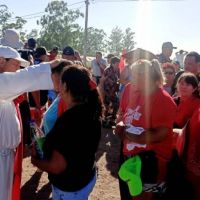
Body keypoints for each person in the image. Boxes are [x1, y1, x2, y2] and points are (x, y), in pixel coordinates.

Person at [31, 65, 102, 200]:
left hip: (71, 187)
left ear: (65, 86)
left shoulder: (68, 121)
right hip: (86, 176)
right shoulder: (91, 111)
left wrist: (36, 161)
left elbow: (57, 166)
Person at [0, 45, 61, 200]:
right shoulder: (2, 85)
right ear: (1, 61)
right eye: (15, 65)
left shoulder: (5, 88)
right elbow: (26, 77)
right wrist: (52, 66)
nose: (17, 70)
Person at [115, 59, 177, 200]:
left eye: (135, 75)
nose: (131, 78)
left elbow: (160, 134)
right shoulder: (130, 89)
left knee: (144, 196)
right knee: (127, 194)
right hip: (129, 156)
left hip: (151, 160)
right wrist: (119, 123)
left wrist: (130, 135)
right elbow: (122, 112)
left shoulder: (163, 99)